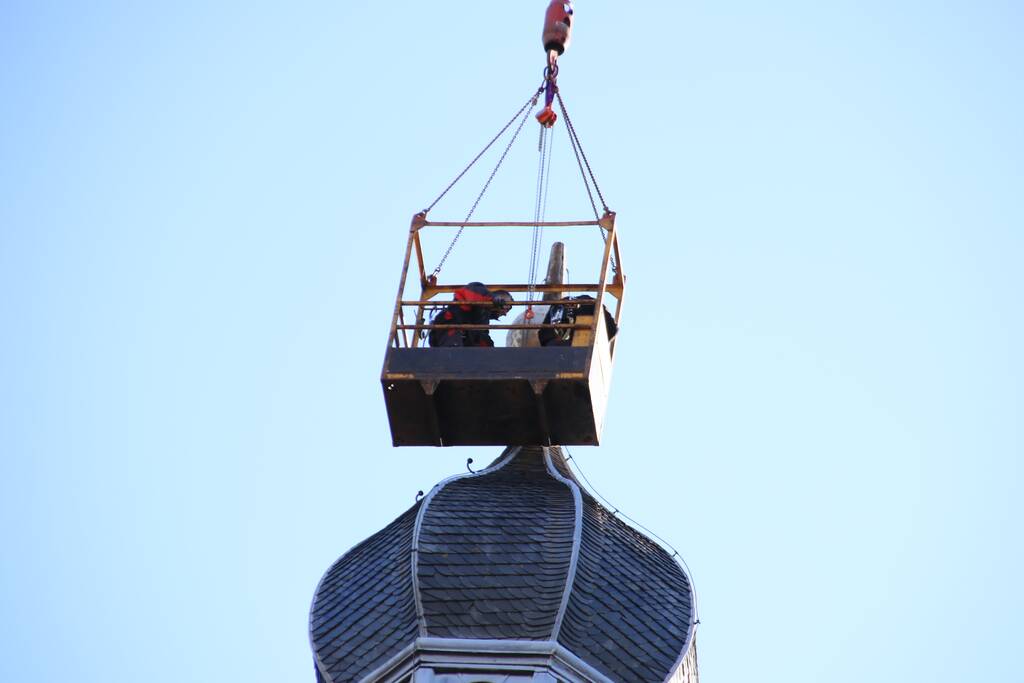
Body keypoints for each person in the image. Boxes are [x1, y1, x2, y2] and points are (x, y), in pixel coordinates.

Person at [428, 282, 514, 347]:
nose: (505, 313)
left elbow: (482, 337)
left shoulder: (484, 319)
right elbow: (470, 295)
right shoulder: (479, 290)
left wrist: (492, 353)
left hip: (461, 339)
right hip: (449, 329)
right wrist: (491, 300)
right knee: (453, 354)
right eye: (507, 307)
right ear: (500, 297)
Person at [538, 295, 618, 347]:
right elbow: (612, 329)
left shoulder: (558, 305)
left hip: (554, 350)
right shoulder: (595, 304)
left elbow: (543, 335)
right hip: (582, 351)